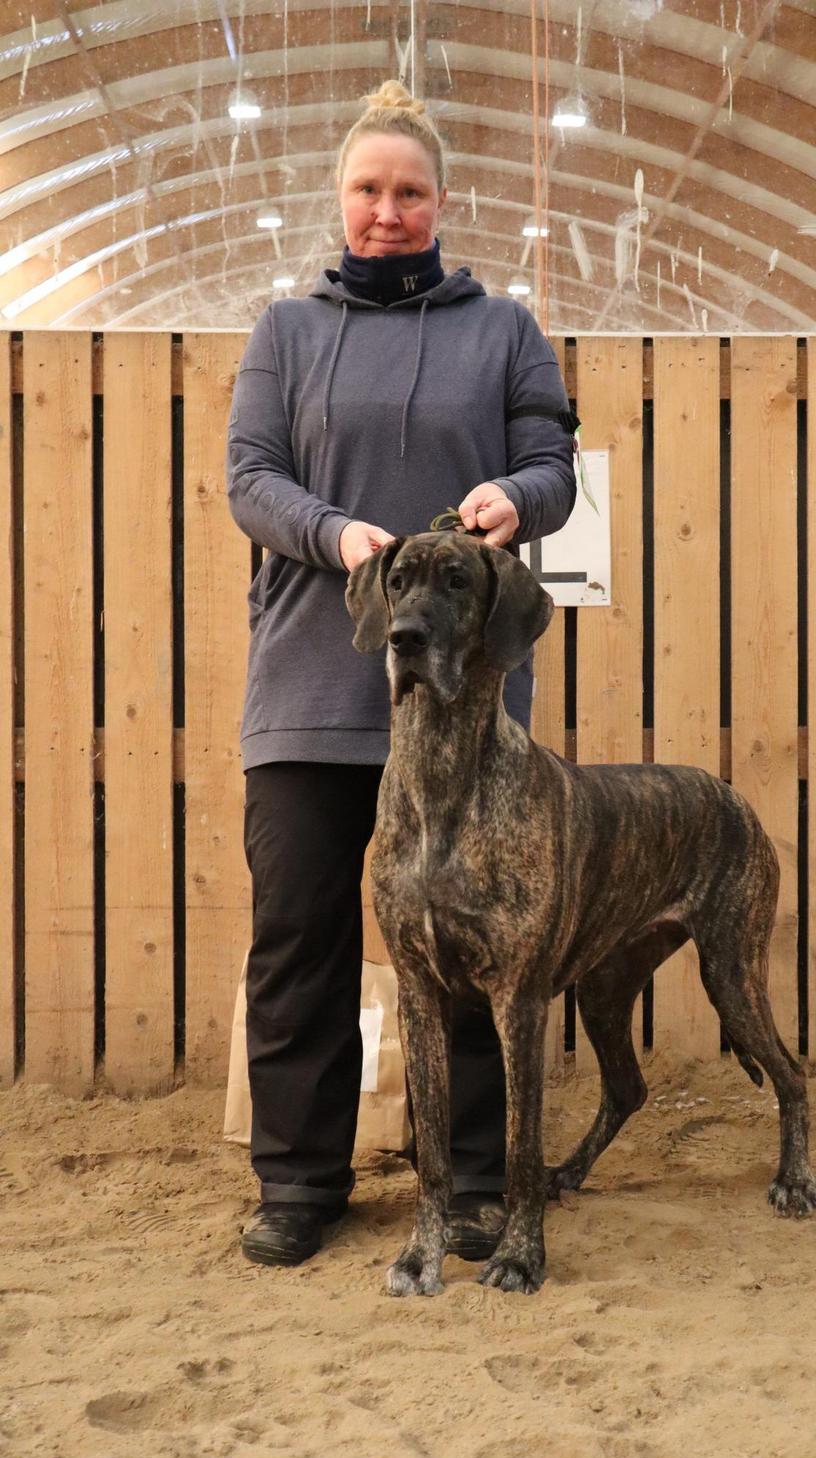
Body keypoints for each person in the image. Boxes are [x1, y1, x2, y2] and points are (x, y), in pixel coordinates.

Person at [227, 79, 576, 1268]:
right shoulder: (285, 332)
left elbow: (552, 464)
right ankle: (298, 1183)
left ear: (441, 201)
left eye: (410, 192)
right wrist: (337, 538)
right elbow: (250, 480)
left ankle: (472, 1179)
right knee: (299, 944)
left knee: (482, 952)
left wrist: (514, 497)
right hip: (311, 694)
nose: (389, 211)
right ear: (340, 197)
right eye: (369, 190)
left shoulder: (505, 331)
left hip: (463, 715)